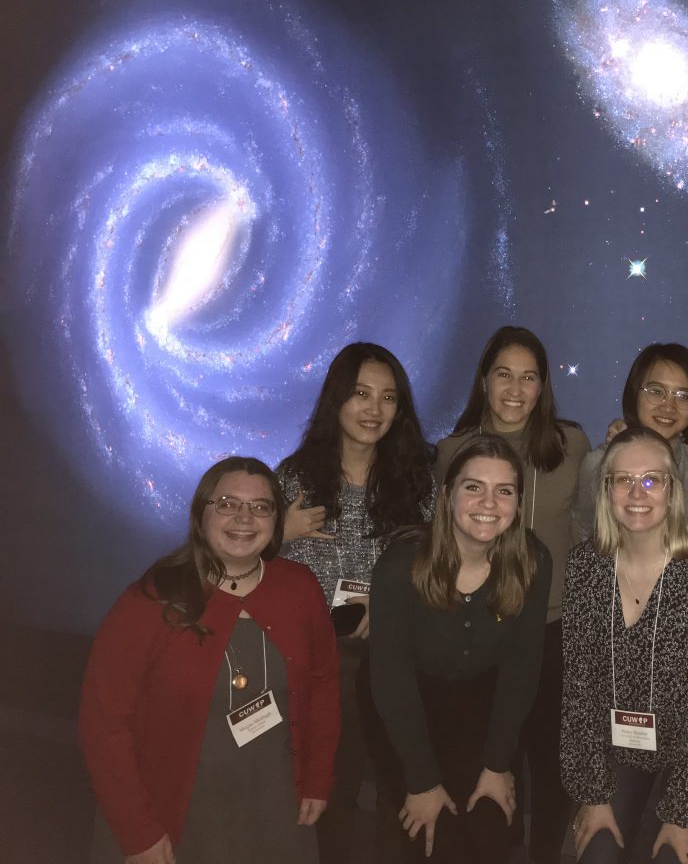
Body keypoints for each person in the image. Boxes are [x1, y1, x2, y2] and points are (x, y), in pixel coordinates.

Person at [80, 457, 340, 864]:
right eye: (227, 503)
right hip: (175, 815)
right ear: (201, 514)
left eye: (260, 506)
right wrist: (137, 832)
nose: (244, 517)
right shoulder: (151, 600)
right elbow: (103, 723)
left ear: (275, 520)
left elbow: (324, 684)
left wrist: (318, 779)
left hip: (272, 809)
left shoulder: (300, 587)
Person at [277, 342, 434, 862]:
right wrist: (280, 530)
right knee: (327, 794)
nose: (374, 409)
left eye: (388, 398)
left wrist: (389, 610)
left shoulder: (417, 481)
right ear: (336, 400)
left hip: (393, 659)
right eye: (361, 394)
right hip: (318, 661)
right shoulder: (295, 478)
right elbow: (239, 556)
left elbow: (444, 566)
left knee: (398, 796)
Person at [437, 325, 589, 863]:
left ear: (543, 386)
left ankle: (545, 853)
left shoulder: (571, 445)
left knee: (551, 763)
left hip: (551, 631)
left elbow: (595, 529)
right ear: (484, 380)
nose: (516, 388)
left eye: (530, 377)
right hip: (481, 632)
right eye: (504, 374)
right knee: (489, 761)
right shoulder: (453, 451)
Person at [370, 435, 552, 863]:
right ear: (447, 494)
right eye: (474, 487)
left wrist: (496, 764)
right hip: (406, 707)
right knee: (433, 837)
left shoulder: (532, 561)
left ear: (518, 502)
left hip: (479, 704)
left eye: (503, 491)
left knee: (491, 828)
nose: (488, 502)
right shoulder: (400, 567)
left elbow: (521, 668)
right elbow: (391, 684)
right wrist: (422, 782)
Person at [561, 427, 688, 864]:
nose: (636, 493)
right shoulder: (585, 568)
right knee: (597, 854)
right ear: (606, 490)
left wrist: (685, 814)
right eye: (622, 479)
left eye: (651, 479)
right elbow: (579, 691)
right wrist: (593, 795)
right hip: (613, 749)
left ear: (672, 490)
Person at [573, 342, 688, 540]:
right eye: (656, 391)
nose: (668, 406)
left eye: (684, 396)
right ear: (635, 393)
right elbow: (582, 529)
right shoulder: (598, 464)